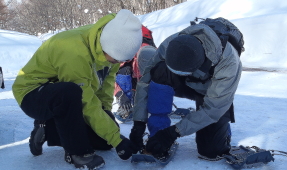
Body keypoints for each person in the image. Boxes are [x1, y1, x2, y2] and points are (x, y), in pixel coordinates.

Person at [12, 9, 142, 169]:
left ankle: (48, 129)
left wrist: (106, 115)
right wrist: (116, 138)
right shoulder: (73, 50)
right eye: (116, 59)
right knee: (69, 92)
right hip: (33, 93)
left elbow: (105, 88)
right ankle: (77, 152)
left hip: (67, 96)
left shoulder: (111, 48)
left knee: (104, 141)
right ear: (107, 48)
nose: (117, 63)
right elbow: (84, 101)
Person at [129, 23, 242, 159]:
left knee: (211, 151)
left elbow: (213, 109)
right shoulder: (172, 44)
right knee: (159, 71)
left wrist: (173, 132)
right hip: (186, 82)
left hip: (211, 93)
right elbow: (145, 81)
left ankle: (223, 132)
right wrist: (138, 123)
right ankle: (157, 134)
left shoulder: (229, 63)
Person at [113, 25, 156, 122]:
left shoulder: (152, 55)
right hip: (129, 67)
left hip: (145, 58)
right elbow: (112, 75)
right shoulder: (123, 53)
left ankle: (152, 101)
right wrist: (120, 94)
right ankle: (125, 106)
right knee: (124, 70)